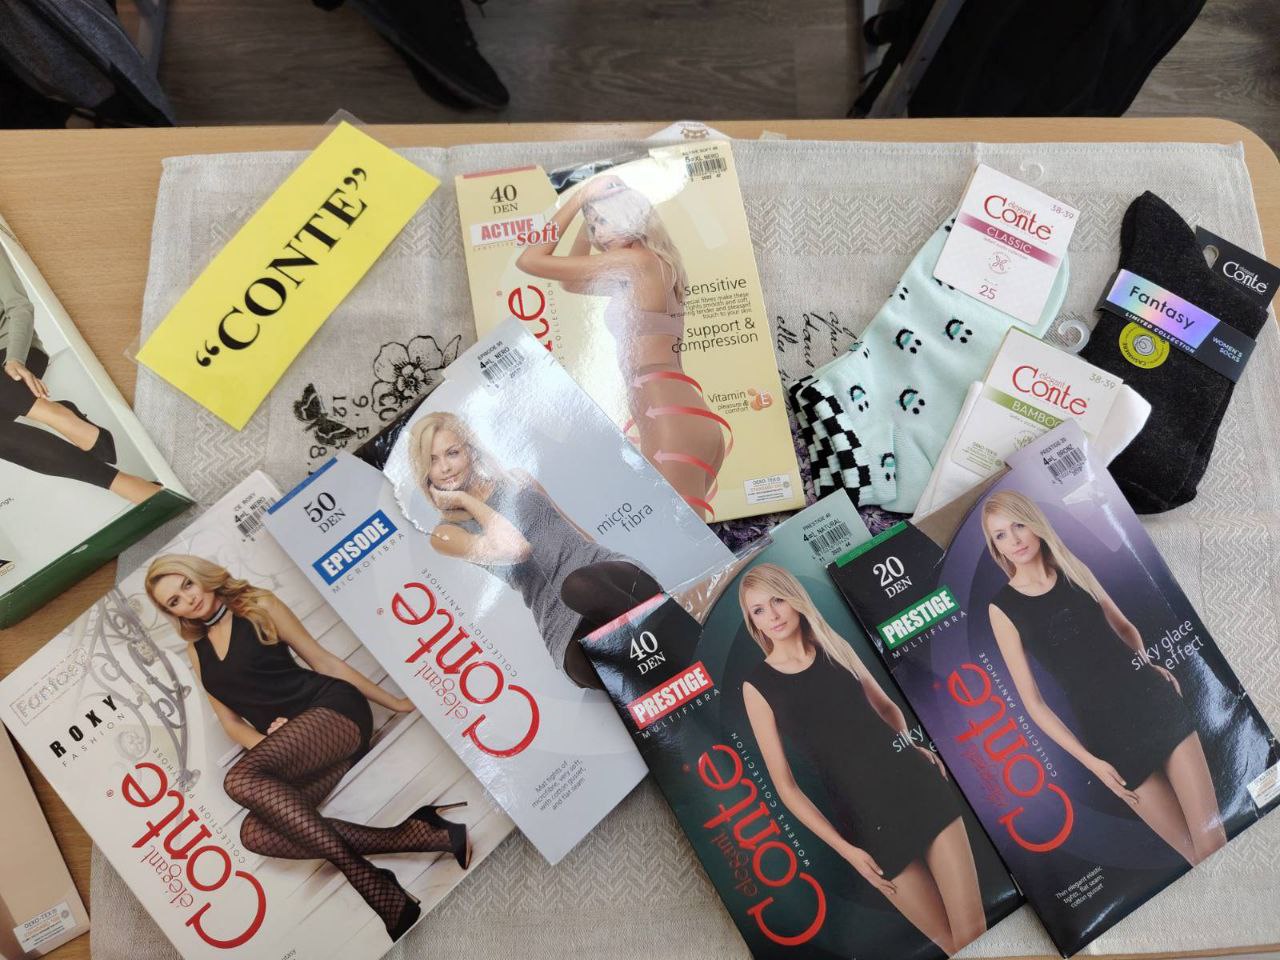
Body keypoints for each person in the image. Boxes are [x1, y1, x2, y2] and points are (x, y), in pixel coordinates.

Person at [145, 554, 472, 943]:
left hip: (335, 713)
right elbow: (231, 723)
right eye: (175, 601)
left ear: (201, 576)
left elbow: (322, 661)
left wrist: (397, 703)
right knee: (254, 833)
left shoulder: (257, 605)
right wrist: (274, 744)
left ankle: (367, 880)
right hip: (297, 750)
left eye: (187, 584)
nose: (188, 598)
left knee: (238, 781)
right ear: (173, 613)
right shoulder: (196, 652)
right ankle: (425, 835)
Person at [739, 564, 987, 954]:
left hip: (916, 787)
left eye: (777, 600)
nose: (772, 614)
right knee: (950, 946)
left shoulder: (834, 645)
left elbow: (887, 708)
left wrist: (910, 746)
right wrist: (848, 852)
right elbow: (786, 788)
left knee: (973, 934)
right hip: (866, 827)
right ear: (752, 621)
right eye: (758, 610)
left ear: (794, 599)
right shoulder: (757, 686)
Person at [983, 490, 1227, 865]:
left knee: (1212, 842)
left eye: (1019, 525)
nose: (1014, 539)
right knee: (1194, 857)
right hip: (1107, 738)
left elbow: (1125, 628)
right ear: (995, 546)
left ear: (1034, 523)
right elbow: (1034, 704)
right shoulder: (1002, 608)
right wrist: (1091, 763)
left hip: (1152, 702)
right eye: (1001, 535)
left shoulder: (1073, 568)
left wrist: (1147, 664)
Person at [515, 174, 727, 519]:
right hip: (683, 418)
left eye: (605, 221)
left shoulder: (635, 263)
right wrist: (588, 212)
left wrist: (576, 199)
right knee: (680, 537)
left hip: (669, 422)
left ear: (632, 216)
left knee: (675, 541)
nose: (598, 234)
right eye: (593, 225)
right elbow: (570, 284)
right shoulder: (650, 265)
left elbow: (530, 259)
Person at [407, 410, 660, 689]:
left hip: (607, 580)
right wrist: (466, 501)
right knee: (590, 665)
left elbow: (577, 532)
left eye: (452, 453)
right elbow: (516, 549)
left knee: (577, 585)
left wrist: (615, 570)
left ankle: (662, 640)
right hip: (561, 623)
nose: (444, 467)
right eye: (432, 461)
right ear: (425, 472)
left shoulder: (517, 479)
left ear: (470, 450)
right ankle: (664, 646)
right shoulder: (446, 534)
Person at [0, 241, 160, 504]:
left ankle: (54, 413)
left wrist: (14, 358)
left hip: (14, 354)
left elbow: (19, 306)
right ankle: (130, 486)